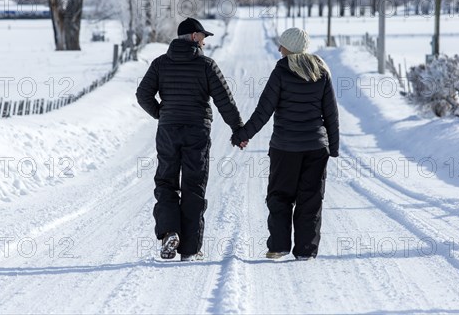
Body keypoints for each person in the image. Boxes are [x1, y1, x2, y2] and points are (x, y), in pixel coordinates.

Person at [136, 17, 243, 261]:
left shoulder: (160, 63)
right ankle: (190, 249)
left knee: (166, 182)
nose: (205, 41)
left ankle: (170, 232)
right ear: (194, 37)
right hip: (197, 130)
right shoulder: (206, 65)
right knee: (193, 186)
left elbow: (143, 94)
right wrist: (238, 129)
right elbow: (224, 100)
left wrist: (161, 113)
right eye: (203, 36)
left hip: (168, 131)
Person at [231, 27, 339, 261]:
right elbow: (331, 113)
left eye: (282, 45)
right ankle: (306, 251)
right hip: (316, 148)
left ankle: (279, 246)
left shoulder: (282, 70)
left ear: (290, 47)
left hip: (285, 148)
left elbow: (264, 110)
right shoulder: (321, 70)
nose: (279, 49)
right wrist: (334, 146)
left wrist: (243, 134)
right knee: (310, 199)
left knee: (279, 197)